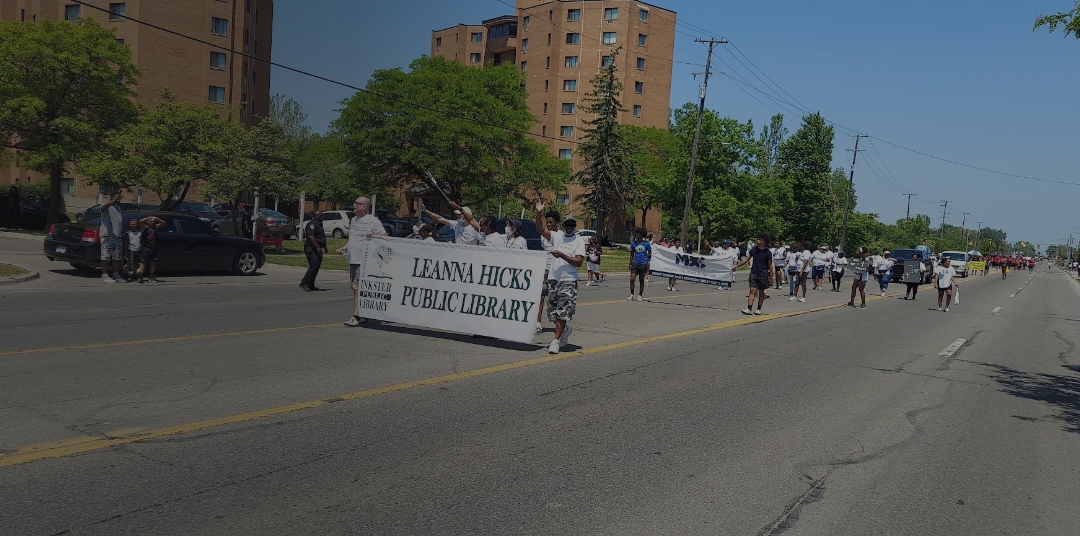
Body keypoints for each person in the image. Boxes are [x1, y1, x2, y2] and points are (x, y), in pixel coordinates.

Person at [535, 198, 585, 354]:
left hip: (568, 280)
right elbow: (539, 229)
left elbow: (578, 262)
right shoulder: (557, 236)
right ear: (563, 226)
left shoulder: (579, 240)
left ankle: (555, 341)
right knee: (553, 312)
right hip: (554, 279)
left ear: (575, 227)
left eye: (572, 225)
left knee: (562, 312)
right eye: (567, 225)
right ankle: (566, 329)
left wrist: (562, 255)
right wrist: (539, 213)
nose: (569, 227)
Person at [337, 197, 386, 327]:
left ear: (364, 207)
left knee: (356, 287)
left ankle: (356, 315)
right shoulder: (353, 220)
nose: (354, 205)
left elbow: (385, 236)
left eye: (357, 204)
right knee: (356, 287)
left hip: (364, 260)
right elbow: (352, 239)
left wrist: (373, 235)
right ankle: (364, 314)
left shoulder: (373, 221)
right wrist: (344, 248)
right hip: (353, 259)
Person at [735, 233, 775, 315]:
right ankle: (749, 308)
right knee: (752, 290)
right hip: (754, 273)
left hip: (763, 274)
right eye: (758, 239)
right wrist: (736, 266)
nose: (758, 240)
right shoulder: (754, 249)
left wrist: (771, 277)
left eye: (760, 239)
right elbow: (746, 260)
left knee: (761, 292)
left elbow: (770, 266)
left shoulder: (768, 252)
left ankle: (758, 309)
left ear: (764, 241)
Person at [534, 209, 559, 334]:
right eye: (547, 222)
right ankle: (537, 323)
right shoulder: (543, 235)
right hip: (544, 269)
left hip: (556, 270)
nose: (549, 224)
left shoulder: (561, 235)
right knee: (540, 296)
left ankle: (560, 324)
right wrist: (538, 213)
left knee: (554, 299)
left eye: (551, 222)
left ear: (556, 222)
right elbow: (538, 227)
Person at [98, 191, 126, 283]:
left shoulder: (118, 208)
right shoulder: (105, 206)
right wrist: (114, 200)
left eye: (119, 197)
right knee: (106, 255)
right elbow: (105, 207)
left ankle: (116, 274)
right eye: (117, 197)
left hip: (117, 236)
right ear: (111, 197)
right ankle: (104, 274)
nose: (119, 199)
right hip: (107, 235)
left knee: (117, 256)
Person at [300, 211, 328, 291]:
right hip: (311, 248)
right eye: (321, 216)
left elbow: (320, 237)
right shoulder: (312, 224)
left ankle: (310, 284)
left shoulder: (318, 224)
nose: (323, 217)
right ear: (317, 216)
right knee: (314, 265)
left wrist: (324, 247)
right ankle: (304, 283)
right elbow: (311, 236)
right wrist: (317, 246)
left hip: (317, 248)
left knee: (316, 266)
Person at [627, 229, 651, 301]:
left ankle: (640, 295)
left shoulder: (646, 244)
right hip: (635, 263)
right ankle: (632, 294)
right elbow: (632, 254)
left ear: (642, 235)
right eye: (636, 233)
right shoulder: (634, 243)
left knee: (641, 280)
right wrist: (630, 263)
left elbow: (650, 253)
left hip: (643, 263)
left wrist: (647, 259)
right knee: (632, 279)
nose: (637, 235)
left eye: (638, 234)